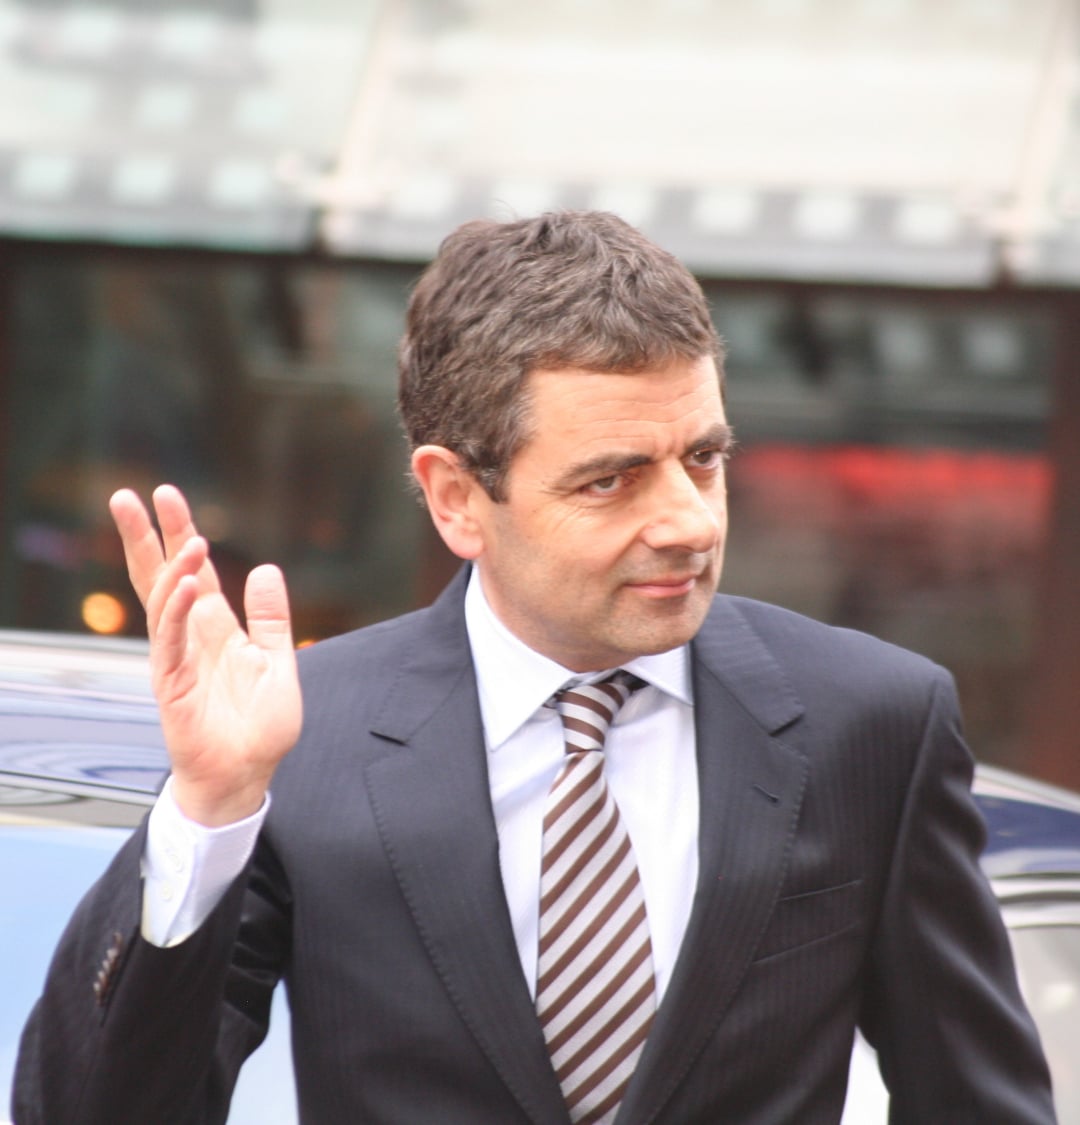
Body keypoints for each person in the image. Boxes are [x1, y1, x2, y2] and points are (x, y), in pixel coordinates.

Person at [14, 211, 1054, 1124]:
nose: (689, 522)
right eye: (613, 481)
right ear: (456, 498)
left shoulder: (869, 723)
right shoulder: (303, 743)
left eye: (704, 458)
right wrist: (206, 811)